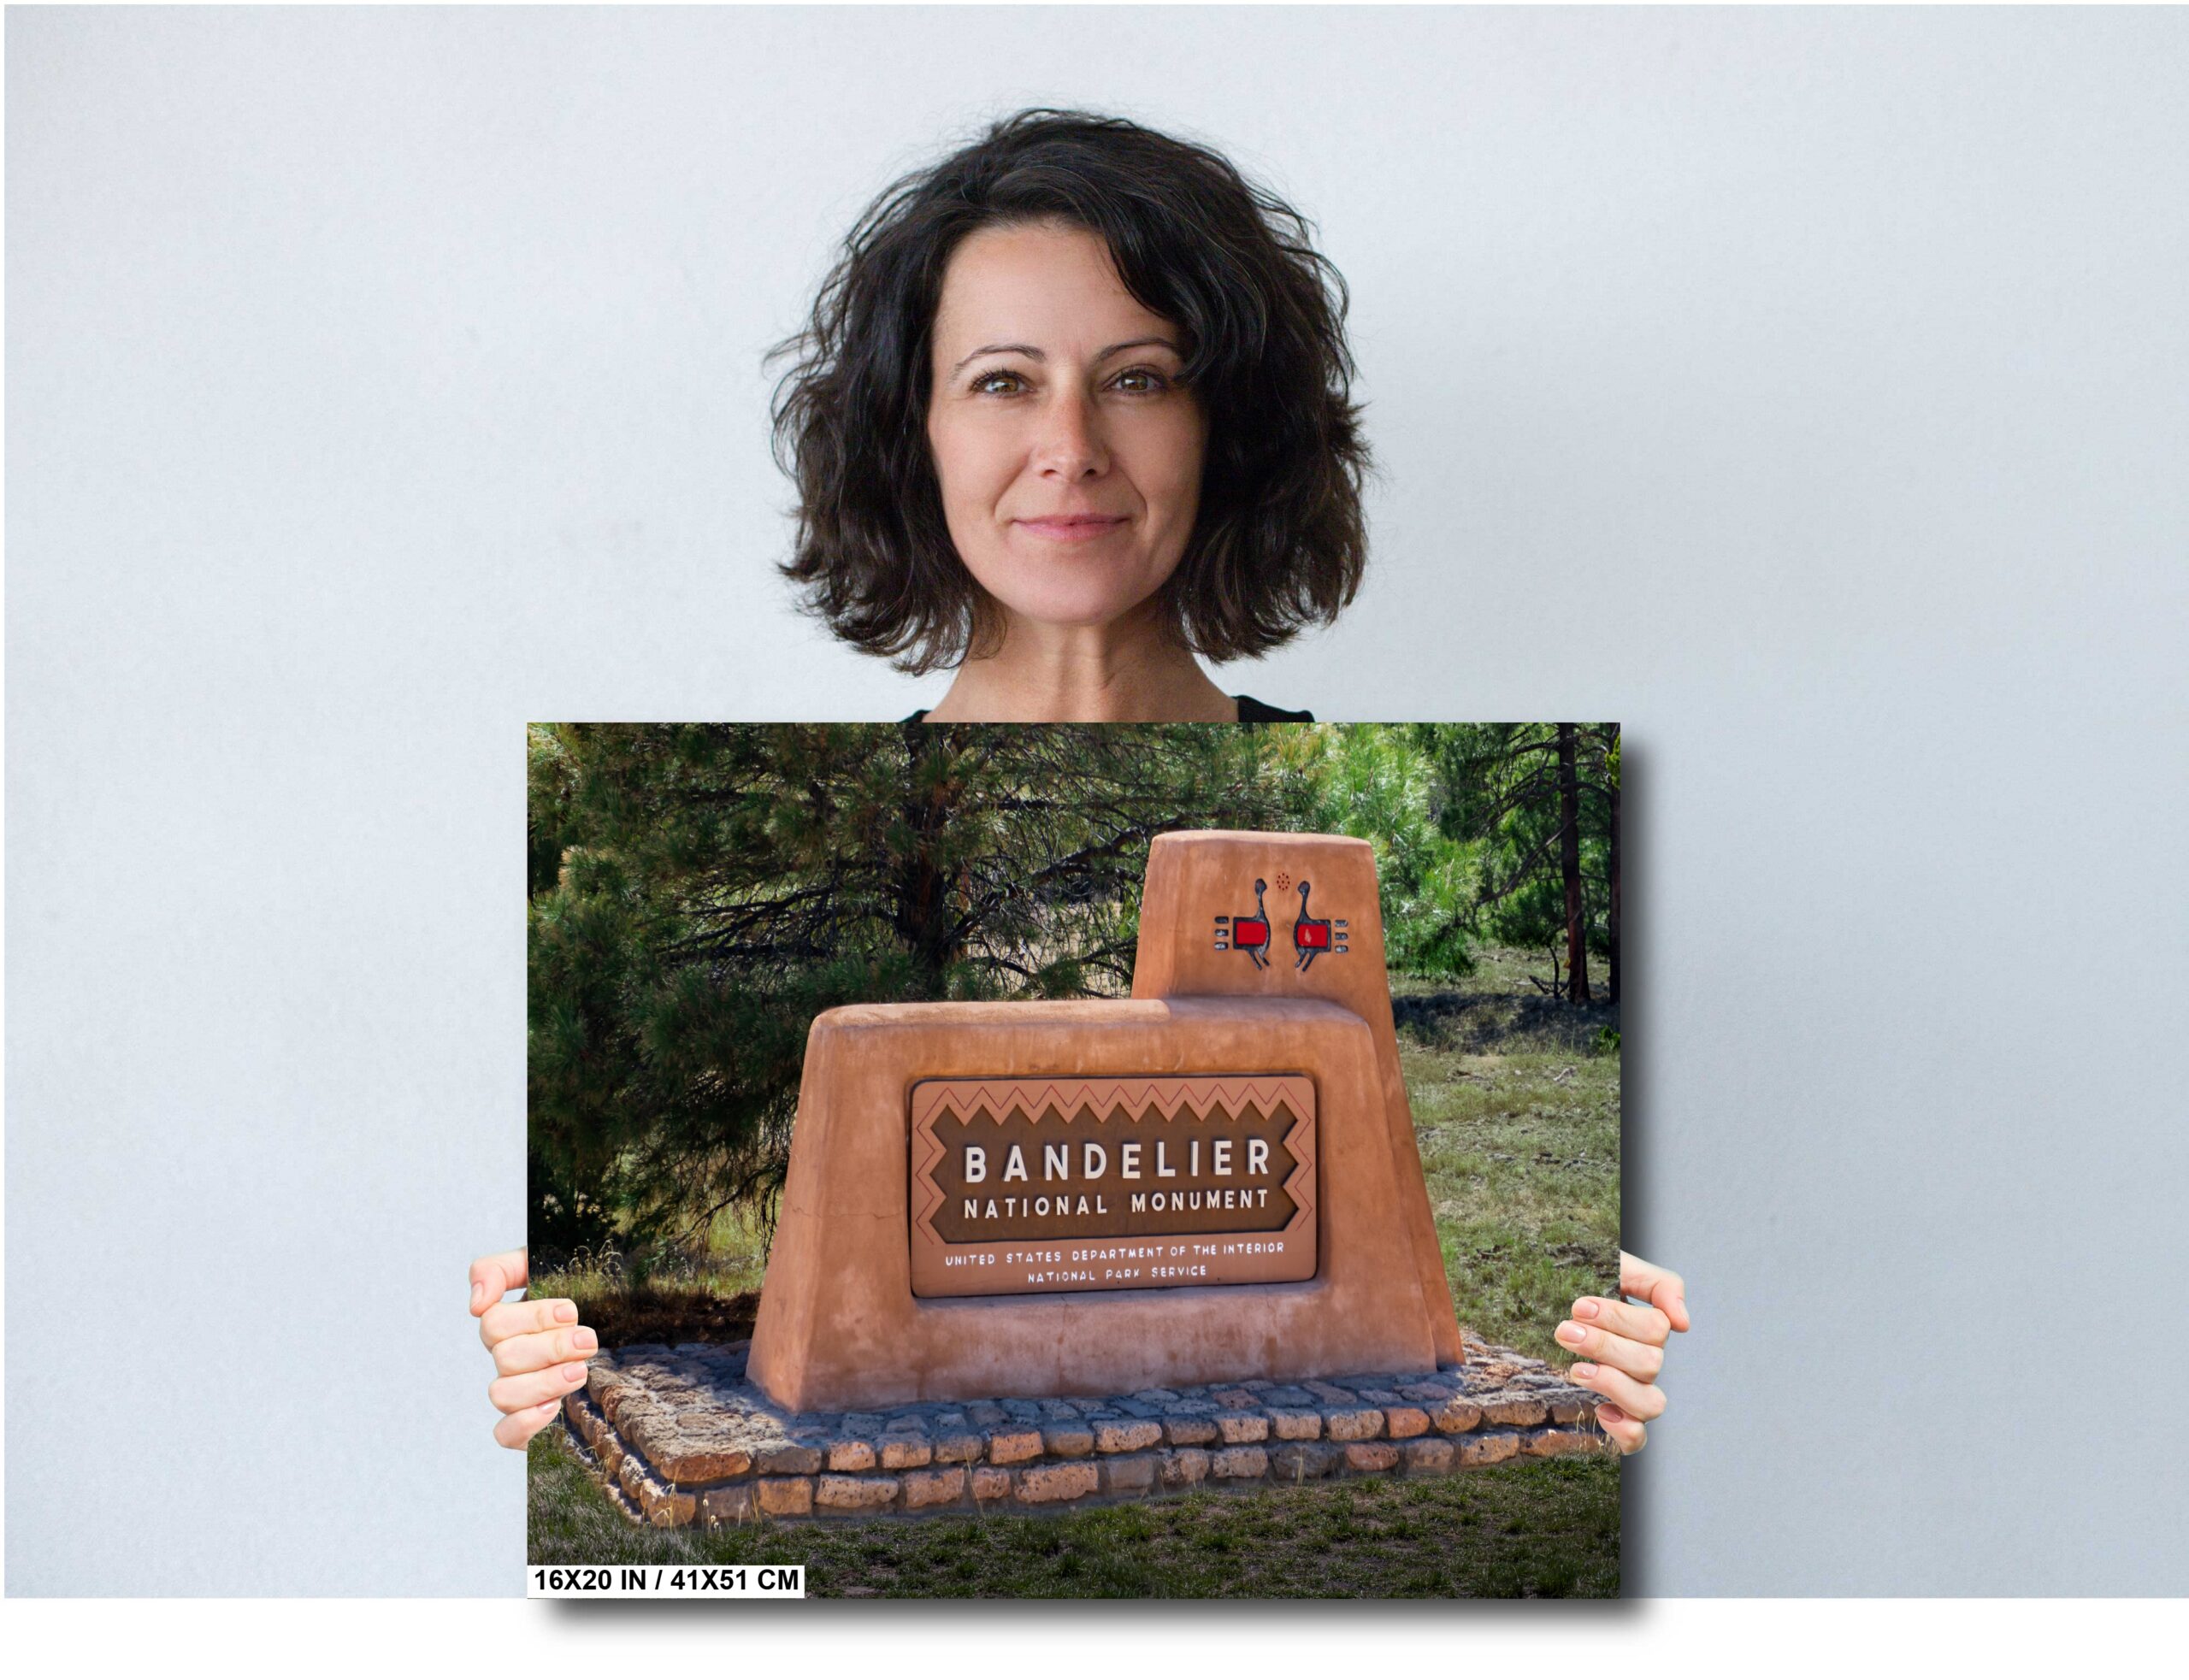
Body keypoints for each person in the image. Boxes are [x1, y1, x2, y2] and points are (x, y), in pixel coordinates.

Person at [475, 109, 1689, 1454]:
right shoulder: (726, 823)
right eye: (1002, 380)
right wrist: (512, 1369)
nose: (1072, 446)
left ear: (1228, 427)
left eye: (1140, 377)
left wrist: (1645, 1377)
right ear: (912, 429)